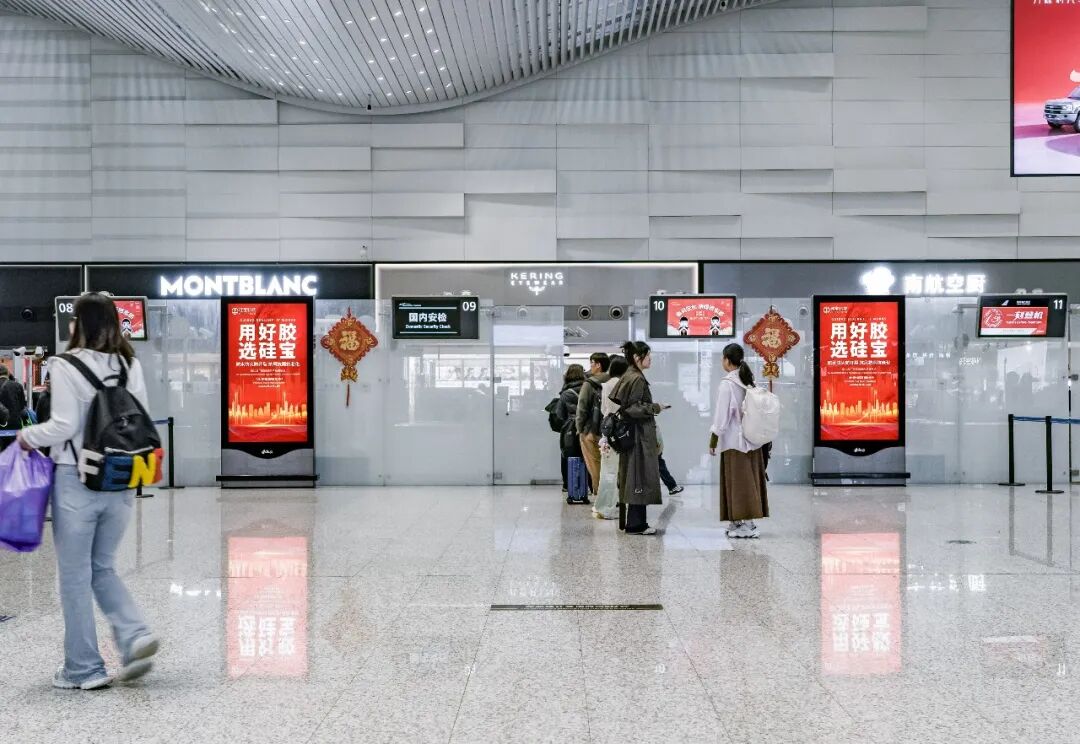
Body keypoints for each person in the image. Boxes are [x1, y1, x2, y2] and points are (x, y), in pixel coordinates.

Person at [17, 292, 160, 690]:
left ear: (78, 323)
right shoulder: (129, 363)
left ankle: (84, 668)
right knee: (103, 567)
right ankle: (134, 635)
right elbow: (142, 417)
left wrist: (28, 437)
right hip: (120, 477)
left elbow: (63, 425)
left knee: (75, 576)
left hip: (75, 480)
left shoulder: (64, 364)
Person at [708, 343, 769, 539]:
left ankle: (746, 525)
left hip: (734, 442)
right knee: (748, 481)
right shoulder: (749, 381)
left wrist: (713, 440)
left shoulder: (727, 384)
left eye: (722, 358)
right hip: (753, 440)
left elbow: (721, 417)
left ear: (727, 360)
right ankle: (738, 523)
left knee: (737, 483)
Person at [610, 341, 668, 535]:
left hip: (633, 434)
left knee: (635, 475)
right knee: (639, 475)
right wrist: (656, 407)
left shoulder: (629, 375)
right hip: (639, 435)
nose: (650, 358)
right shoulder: (636, 378)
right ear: (637, 357)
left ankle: (636, 522)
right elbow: (632, 408)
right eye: (647, 355)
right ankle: (636, 524)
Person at [594, 355, 627, 520]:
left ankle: (603, 508)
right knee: (624, 472)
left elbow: (603, 410)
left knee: (608, 471)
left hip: (609, 431)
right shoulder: (627, 384)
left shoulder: (606, 385)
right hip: (625, 431)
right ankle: (618, 505)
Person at [575, 352, 610, 495]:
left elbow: (582, 408)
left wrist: (579, 428)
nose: (591, 366)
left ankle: (600, 495)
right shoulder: (613, 381)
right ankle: (612, 495)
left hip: (591, 431)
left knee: (595, 465)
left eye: (592, 363)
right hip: (609, 430)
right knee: (609, 465)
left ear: (598, 365)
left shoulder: (589, 384)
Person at [556, 364, 586, 500]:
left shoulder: (566, 393)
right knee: (586, 456)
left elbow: (560, 414)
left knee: (567, 455)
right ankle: (588, 485)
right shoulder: (589, 389)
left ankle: (568, 485)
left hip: (569, 429)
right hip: (586, 428)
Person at [0, 375, 31, 451]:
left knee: (3, 449)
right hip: (15, 424)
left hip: (2, 424)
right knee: (15, 450)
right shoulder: (17, 385)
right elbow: (22, 407)